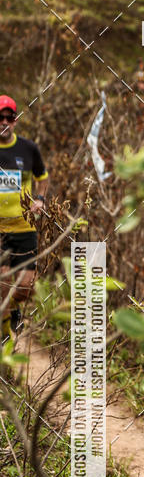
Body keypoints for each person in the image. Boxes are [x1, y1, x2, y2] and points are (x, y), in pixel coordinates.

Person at [0, 95, 48, 341]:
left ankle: (15, 311)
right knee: (4, 283)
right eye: (1, 117)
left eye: (9, 117)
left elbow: (42, 176)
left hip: (24, 227)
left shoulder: (28, 149)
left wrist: (40, 200)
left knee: (26, 286)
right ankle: (6, 336)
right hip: (0, 231)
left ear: (15, 120)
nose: (5, 122)